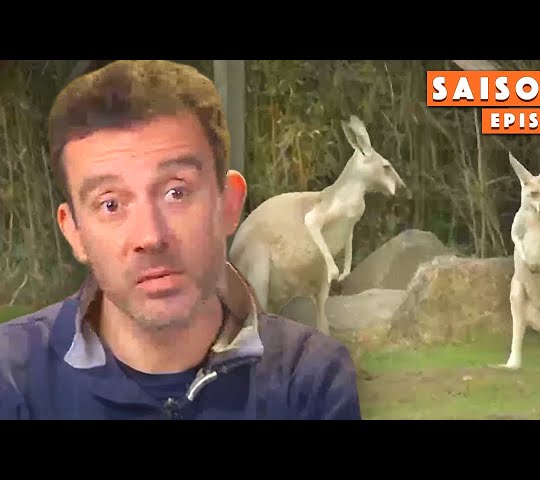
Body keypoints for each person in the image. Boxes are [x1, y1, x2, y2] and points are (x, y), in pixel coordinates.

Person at [0, 60, 362, 420]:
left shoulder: (309, 379)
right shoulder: (12, 377)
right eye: (111, 204)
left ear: (228, 205)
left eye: (176, 192)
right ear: (74, 232)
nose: (151, 236)